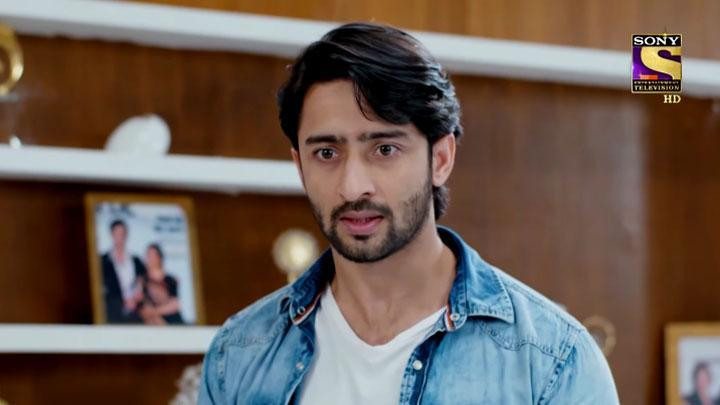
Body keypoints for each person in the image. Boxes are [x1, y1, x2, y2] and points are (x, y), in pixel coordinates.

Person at [199, 22, 619, 404]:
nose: (352, 187)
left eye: (384, 149)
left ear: (441, 158)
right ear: (299, 165)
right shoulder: (237, 355)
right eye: (326, 153)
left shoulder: (552, 361)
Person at [100, 219, 146, 323]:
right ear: (112, 235)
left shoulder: (136, 260)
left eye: (122, 234)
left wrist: (137, 295)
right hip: (112, 313)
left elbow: (143, 280)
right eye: (117, 234)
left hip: (136, 312)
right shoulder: (102, 261)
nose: (120, 237)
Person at [138, 243, 184, 325]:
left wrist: (154, 311)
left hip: (172, 321)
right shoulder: (142, 281)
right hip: (152, 323)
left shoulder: (171, 280)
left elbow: (175, 305)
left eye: (153, 255)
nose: (150, 259)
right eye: (148, 255)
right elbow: (143, 308)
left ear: (160, 257)